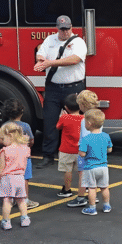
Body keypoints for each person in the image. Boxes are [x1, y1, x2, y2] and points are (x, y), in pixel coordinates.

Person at [34, 15, 87, 169]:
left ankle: (80, 152)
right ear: (57, 28)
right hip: (54, 88)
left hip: (73, 88)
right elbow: (40, 53)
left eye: (67, 29)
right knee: (49, 122)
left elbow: (75, 60)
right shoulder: (50, 40)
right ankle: (48, 155)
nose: (65, 32)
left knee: (78, 123)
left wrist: (50, 62)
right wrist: (41, 59)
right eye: (62, 29)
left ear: (72, 27)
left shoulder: (78, 42)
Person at [67, 90, 102, 208]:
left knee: (82, 174)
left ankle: (80, 197)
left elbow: (86, 137)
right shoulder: (98, 117)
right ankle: (93, 195)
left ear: (82, 105)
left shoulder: (85, 119)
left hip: (85, 151)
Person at [0, 122, 31, 230]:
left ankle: (6, 221)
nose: (2, 142)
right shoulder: (24, 149)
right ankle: (24, 218)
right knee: (21, 200)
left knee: (7, 201)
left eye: (3, 138)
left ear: (10, 136)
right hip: (20, 178)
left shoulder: (6, 150)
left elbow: (0, 167)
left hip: (8, 178)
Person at [3, 99, 39, 209]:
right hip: (24, 156)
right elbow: (31, 140)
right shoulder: (25, 126)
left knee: (11, 176)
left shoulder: (5, 126)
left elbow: (2, 140)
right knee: (25, 178)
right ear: (22, 111)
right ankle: (24, 199)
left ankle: (12, 198)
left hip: (10, 156)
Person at [78, 109, 113, 216]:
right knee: (104, 187)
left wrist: (80, 150)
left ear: (88, 124)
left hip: (90, 167)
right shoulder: (106, 136)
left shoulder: (86, 138)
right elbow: (110, 150)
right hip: (103, 167)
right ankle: (107, 205)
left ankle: (92, 208)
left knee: (92, 188)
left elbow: (82, 154)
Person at [56, 93, 83, 198]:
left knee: (67, 170)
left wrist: (61, 117)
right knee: (82, 172)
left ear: (66, 107)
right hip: (80, 150)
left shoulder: (64, 118)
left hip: (66, 150)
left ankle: (67, 190)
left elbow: (58, 127)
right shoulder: (84, 118)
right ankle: (84, 191)